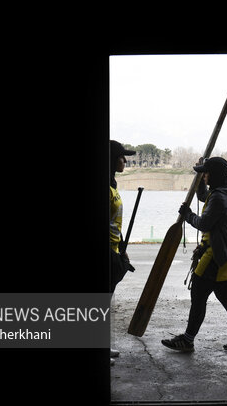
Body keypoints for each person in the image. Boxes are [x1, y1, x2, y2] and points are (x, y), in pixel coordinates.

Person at [161, 157, 227, 352]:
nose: (205, 175)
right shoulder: (223, 192)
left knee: (199, 294)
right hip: (225, 249)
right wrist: (200, 180)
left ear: (215, 175)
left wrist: (188, 214)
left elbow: (204, 224)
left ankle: (188, 340)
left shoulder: (218, 197)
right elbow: (204, 197)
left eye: (206, 173)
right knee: (225, 295)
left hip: (217, 252)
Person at [109, 140, 136, 364]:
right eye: (121, 156)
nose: (124, 161)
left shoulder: (112, 186)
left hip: (113, 249)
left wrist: (121, 249)